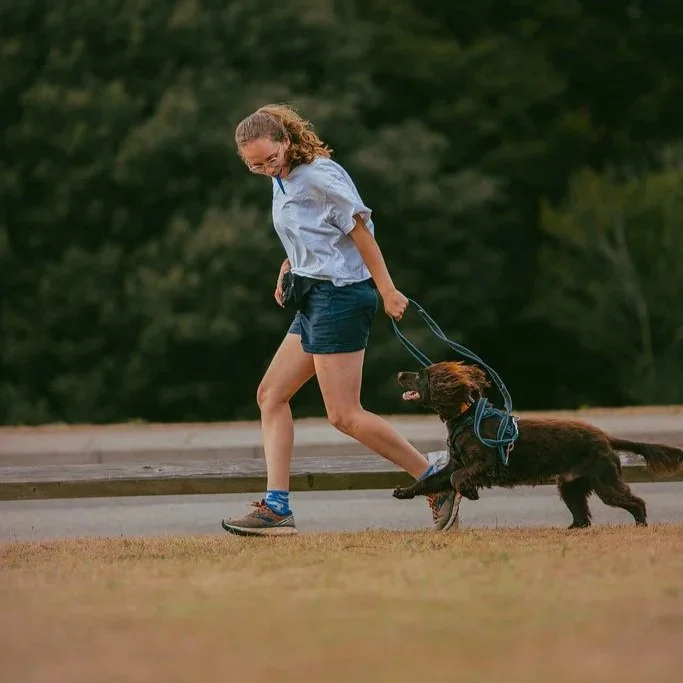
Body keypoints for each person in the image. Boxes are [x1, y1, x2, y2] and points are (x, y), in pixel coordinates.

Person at [221, 103, 458, 536]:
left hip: (341, 298)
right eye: (254, 165)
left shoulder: (318, 177)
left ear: (286, 143)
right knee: (271, 395)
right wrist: (289, 265)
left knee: (344, 415)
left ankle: (435, 480)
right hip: (313, 295)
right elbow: (310, 232)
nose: (265, 169)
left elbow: (359, 233)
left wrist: (388, 290)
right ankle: (276, 507)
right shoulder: (282, 178)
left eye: (270, 159)